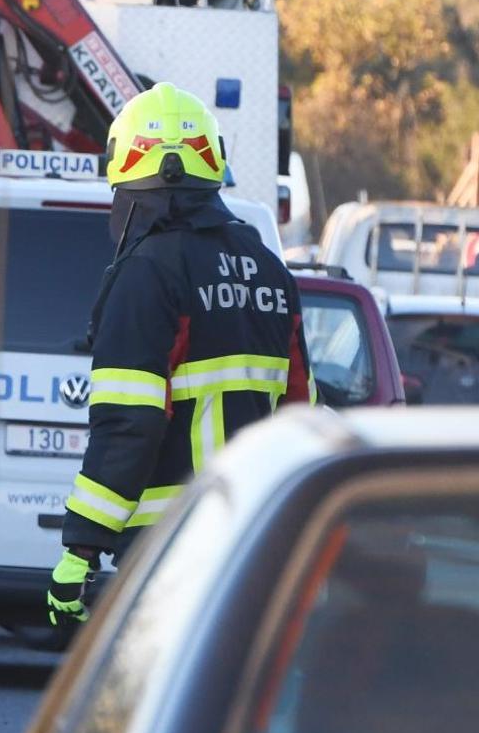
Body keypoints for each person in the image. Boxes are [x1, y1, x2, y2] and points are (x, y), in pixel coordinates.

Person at [47, 83, 316, 629]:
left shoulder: (148, 271)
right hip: (253, 538)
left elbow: (130, 422)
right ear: (210, 165)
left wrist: (80, 550)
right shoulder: (267, 267)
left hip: (171, 549)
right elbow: (301, 409)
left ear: (127, 176)